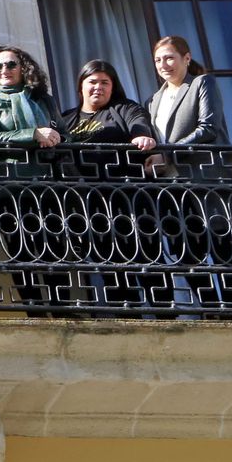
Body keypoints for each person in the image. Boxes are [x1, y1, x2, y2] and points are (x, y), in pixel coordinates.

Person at [147, 35, 232, 312]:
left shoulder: (202, 83)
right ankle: (211, 309)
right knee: (185, 251)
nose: (164, 64)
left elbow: (208, 128)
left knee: (221, 244)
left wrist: (167, 154)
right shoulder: (153, 100)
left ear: (186, 58)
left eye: (170, 57)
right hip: (173, 185)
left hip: (207, 178)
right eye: (158, 60)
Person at [0, 44, 71, 316]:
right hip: (9, 187)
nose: (4, 70)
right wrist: (33, 134)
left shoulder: (43, 99)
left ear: (23, 68)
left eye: (11, 64)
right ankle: (34, 309)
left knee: (53, 246)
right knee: (20, 249)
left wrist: (56, 138)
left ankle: (61, 308)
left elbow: (65, 133)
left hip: (47, 185)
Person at [59, 59, 160, 310]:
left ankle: (165, 314)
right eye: (92, 82)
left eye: (105, 82)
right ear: (81, 86)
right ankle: (127, 315)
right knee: (109, 263)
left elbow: (138, 123)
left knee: (147, 259)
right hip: (89, 205)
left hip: (129, 200)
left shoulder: (123, 108)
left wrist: (142, 136)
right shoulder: (66, 119)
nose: (98, 87)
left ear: (113, 87)